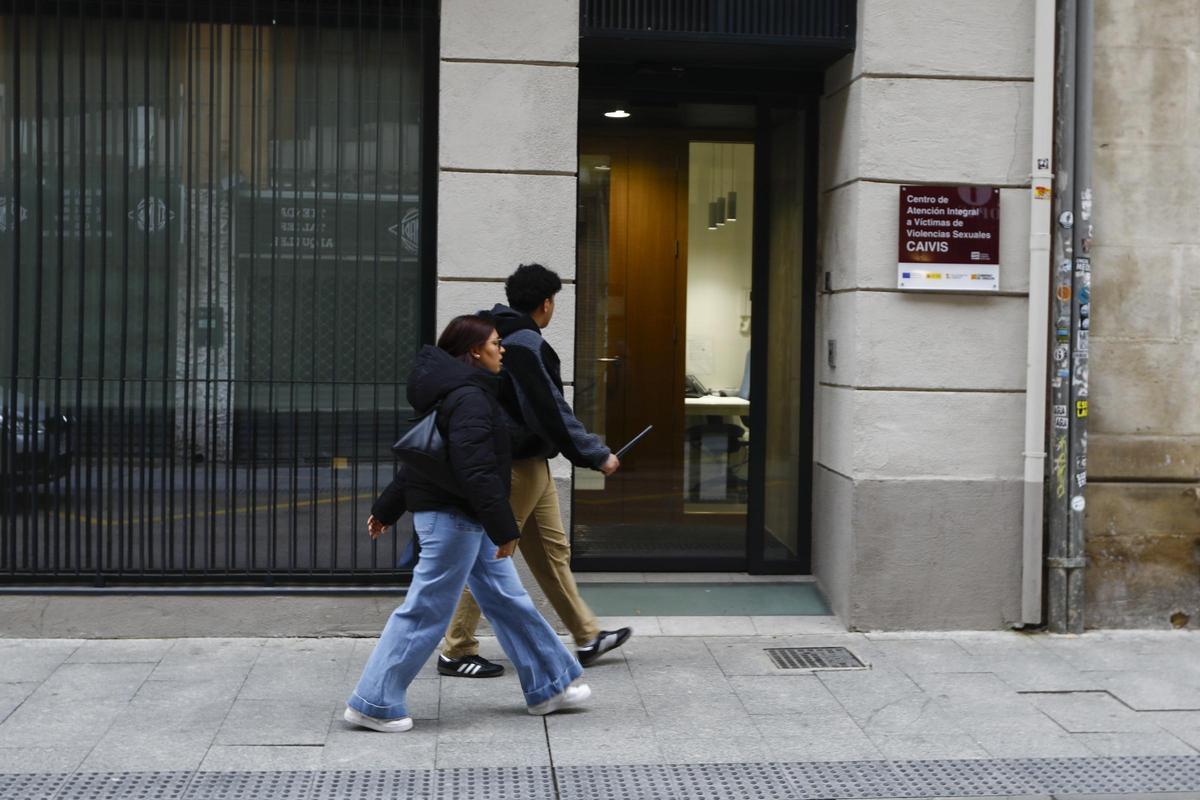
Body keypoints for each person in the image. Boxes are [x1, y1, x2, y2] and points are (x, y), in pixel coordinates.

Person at [343, 314, 590, 732]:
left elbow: (427, 458)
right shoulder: (470, 399)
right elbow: (475, 471)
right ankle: (374, 701)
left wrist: (387, 508)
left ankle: (550, 684)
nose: (502, 349)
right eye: (496, 343)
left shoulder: (459, 393)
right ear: (475, 351)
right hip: (454, 520)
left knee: (507, 599)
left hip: (461, 516)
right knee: (425, 609)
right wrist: (505, 529)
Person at [438, 264, 632, 680]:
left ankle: (586, 635)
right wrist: (596, 455)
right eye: (555, 301)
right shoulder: (524, 342)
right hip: (515, 464)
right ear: (546, 303)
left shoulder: (493, 330)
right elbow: (549, 409)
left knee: (551, 551)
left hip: (530, 461)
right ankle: (456, 649)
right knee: (490, 553)